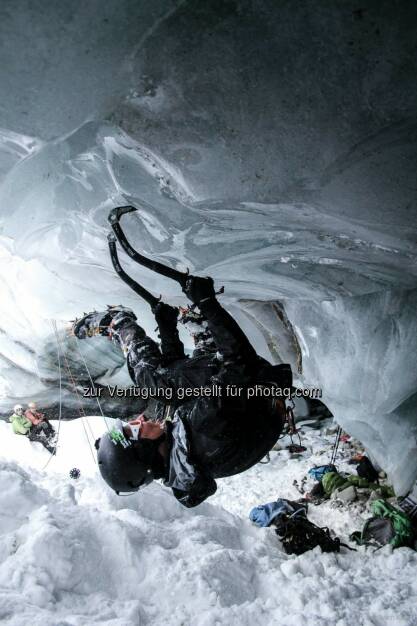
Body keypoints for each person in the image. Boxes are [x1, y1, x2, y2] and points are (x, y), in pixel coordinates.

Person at [74, 273, 292, 507]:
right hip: (255, 381)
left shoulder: (184, 456)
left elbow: (179, 386)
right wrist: (207, 302)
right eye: (133, 430)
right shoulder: (203, 430)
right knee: (151, 381)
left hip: (251, 399)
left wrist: (167, 329)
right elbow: (240, 362)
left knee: (166, 390)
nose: (138, 420)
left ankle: (201, 335)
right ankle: (119, 323)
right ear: (146, 452)